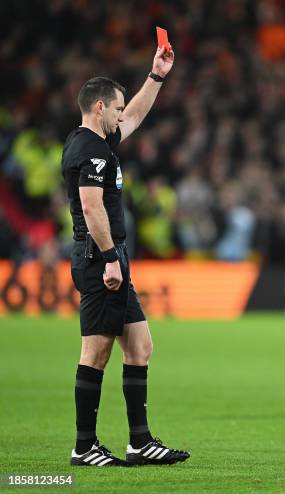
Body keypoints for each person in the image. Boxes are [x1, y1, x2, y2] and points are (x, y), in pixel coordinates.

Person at [61, 45, 190, 466]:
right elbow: (91, 207)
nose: (121, 116)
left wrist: (156, 76)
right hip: (102, 261)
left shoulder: (92, 141)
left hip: (107, 257)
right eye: (115, 108)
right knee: (95, 352)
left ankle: (139, 442)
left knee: (140, 346)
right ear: (99, 107)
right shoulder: (91, 151)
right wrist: (111, 257)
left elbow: (134, 116)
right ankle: (84, 447)